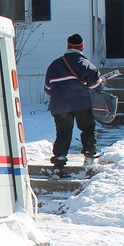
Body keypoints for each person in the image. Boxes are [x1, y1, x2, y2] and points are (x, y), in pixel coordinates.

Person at [44, 33, 104, 167]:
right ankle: (89, 157)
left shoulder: (54, 65)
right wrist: (101, 81)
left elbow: (48, 88)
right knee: (87, 128)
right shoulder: (86, 64)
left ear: (68, 46)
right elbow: (96, 86)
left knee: (63, 133)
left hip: (59, 106)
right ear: (82, 47)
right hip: (81, 104)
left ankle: (58, 164)